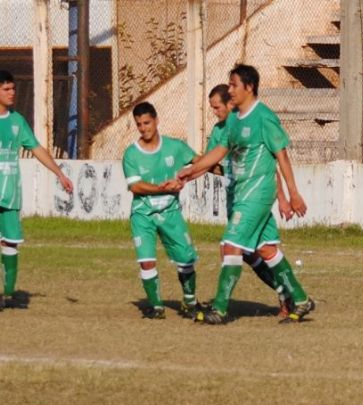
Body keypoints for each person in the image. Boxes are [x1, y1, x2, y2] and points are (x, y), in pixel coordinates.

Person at [179, 64, 313, 325]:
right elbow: (219, 152)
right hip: (241, 192)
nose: (229, 90)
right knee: (266, 250)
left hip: (258, 192)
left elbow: (281, 155)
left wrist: (293, 194)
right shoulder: (234, 119)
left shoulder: (264, 117)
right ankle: (299, 298)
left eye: (233, 85)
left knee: (230, 245)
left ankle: (219, 308)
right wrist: (189, 173)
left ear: (249, 87)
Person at [207, 83, 294, 318]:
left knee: (234, 249)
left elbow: (268, 166)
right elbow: (212, 164)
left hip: (253, 197)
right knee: (255, 251)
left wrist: (284, 198)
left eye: (217, 107)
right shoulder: (218, 132)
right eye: (212, 108)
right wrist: (198, 166)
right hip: (234, 199)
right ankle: (289, 294)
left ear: (230, 103)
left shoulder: (250, 124)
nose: (215, 112)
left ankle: (222, 307)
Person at [0, 70, 73, 311]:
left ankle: (7, 295)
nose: (12, 93)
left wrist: (59, 173)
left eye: (13, 88)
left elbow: (37, 149)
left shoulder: (17, 121)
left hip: (10, 194)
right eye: (6, 89)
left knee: (11, 243)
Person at [122, 102, 200, 319]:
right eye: (139, 124)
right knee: (147, 261)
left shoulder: (175, 147)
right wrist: (161, 188)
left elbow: (200, 163)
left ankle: (190, 302)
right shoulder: (131, 154)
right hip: (142, 214)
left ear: (156, 121)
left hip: (170, 212)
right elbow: (135, 186)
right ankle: (157, 308)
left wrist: (190, 175)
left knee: (186, 259)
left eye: (147, 123)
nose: (143, 128)